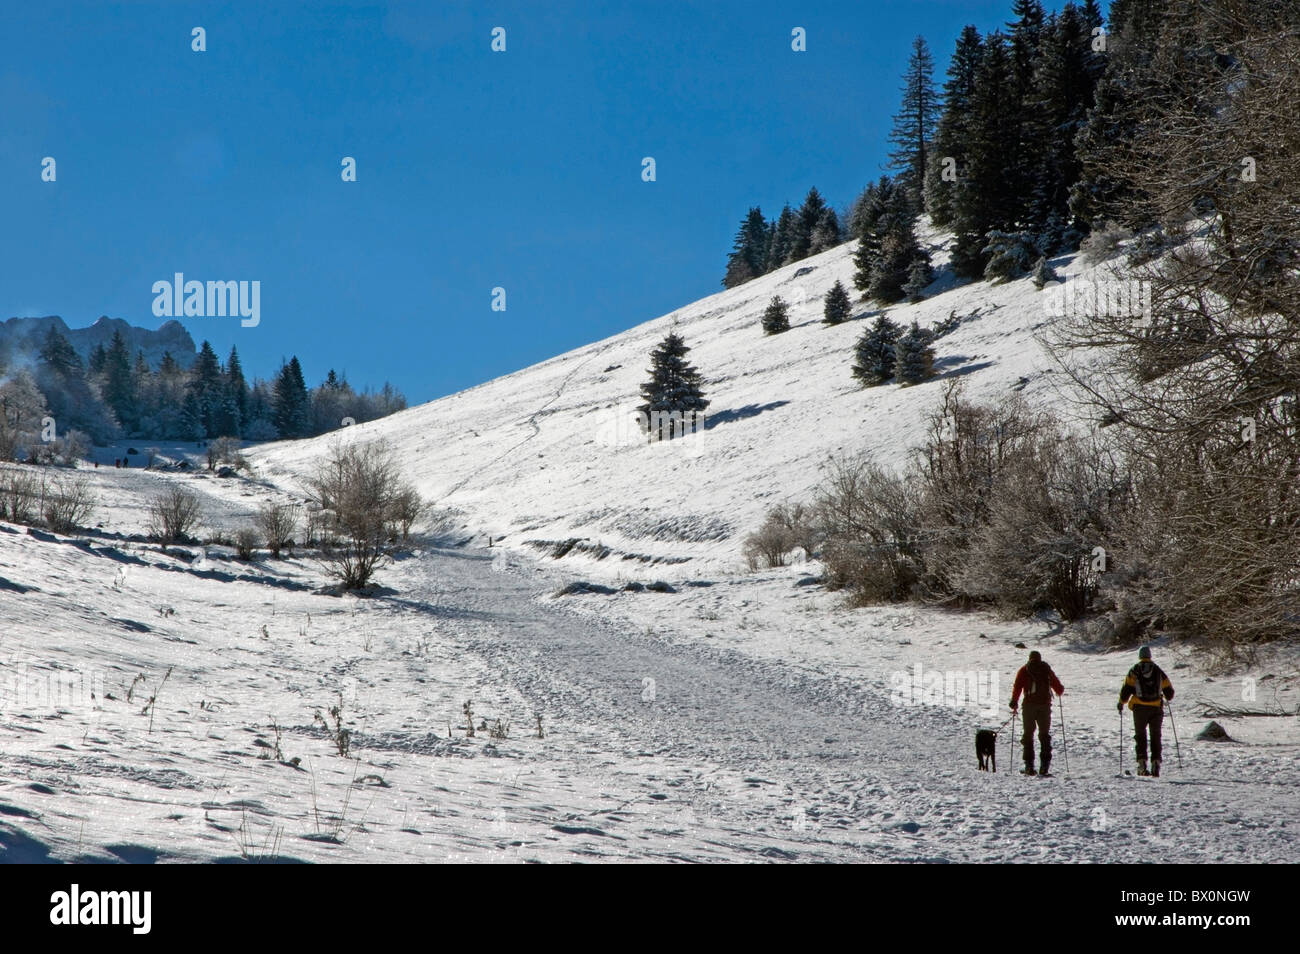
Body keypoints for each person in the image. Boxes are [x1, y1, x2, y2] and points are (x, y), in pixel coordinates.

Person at [1118, 645, 1174, 777]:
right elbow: (1169, 693)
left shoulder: (1135, 670)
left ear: (1140, 656)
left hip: (1139, 708)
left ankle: (1142, 763)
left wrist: (1121, 703)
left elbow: (1126, 689)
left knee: (1140, 736)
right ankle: (1156, 763)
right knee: (1156, 736)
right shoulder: (1158, 670)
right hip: (1156, 708)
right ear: (1150, 656)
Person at [1009, 650, 1065, 776]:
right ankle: (1044, 765)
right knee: (1044, 735)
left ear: (1029, 659)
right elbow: (1059, 688)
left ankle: (1029, 766)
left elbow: (1017, 687)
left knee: (1028, 734)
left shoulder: (1024, 670)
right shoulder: (1046, 669)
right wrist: (1059, 690)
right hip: (1045, 706)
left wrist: (1014, 701)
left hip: (1029, 706)